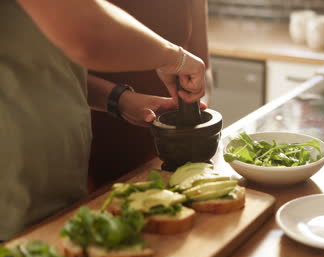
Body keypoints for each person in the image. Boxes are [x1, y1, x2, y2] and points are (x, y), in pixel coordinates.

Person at [0, 0, 206, 240]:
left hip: (48, 187)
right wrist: (175, 58)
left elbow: (43, 66)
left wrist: (119, 100)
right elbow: (87, 33)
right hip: (11, 196)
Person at [88, 0, 211, 191]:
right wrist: (119, 99)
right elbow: (70, 65)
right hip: (101, 129)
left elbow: (199, 59)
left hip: (169, 127)